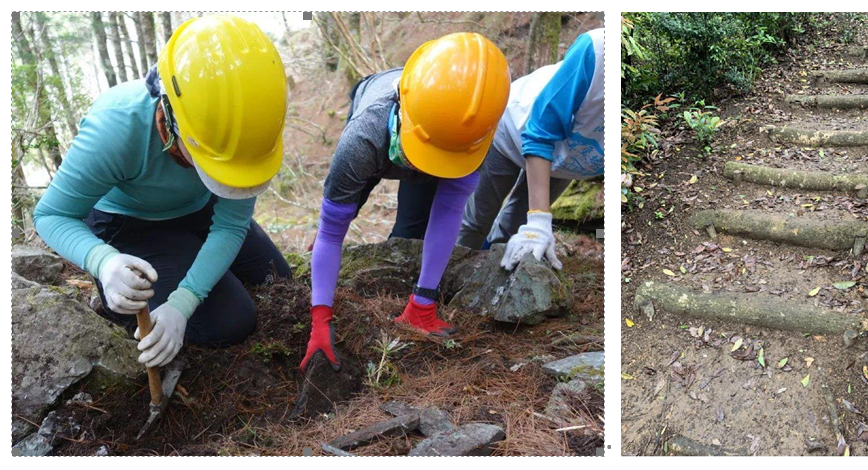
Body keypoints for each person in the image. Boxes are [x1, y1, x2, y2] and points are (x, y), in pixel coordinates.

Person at [32, 16, 291, 369]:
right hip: (131, 220)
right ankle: (123, 300)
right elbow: (52, 215)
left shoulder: (250, 126)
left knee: (276, 276)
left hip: (199, 207)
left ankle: (185, 261)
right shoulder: (117, 128)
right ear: (170, 119)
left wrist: (183, 302)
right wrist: (103, 261)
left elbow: (230, 226)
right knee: (231, 321)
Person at [300, 32, 510, 371]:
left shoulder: (473, 134)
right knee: (346, 207)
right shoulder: (362, 139)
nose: (422, 169)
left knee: (413, 227)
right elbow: (331, 231)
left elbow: (449, 212)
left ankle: (419, 304)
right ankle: (328, 244)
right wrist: (320, 319)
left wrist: (424, 304)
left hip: (436, 134)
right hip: (387, 130)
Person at [459, 28, 604, 270]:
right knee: (478, 220)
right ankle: (452, 273)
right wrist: (539, 219)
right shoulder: (598, 50)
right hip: (514, 130)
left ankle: (492, 275)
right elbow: (541, 130)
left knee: (515, 223)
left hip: (565, 163)